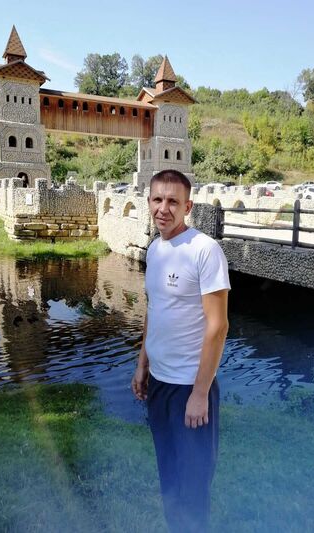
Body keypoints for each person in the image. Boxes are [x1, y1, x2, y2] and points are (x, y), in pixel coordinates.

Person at [131, 169, 230, 532]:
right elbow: (154, 310)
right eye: (157, 199)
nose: (164, 208)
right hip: (159, 383)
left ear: (187, 206)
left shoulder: (204, 250)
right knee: (169, 474)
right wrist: (142, 364)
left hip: (190, 386)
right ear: (149, 202)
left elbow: (218, 326)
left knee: (193, 483)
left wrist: (200, 394)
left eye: (173, 201)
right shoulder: (155, 250)